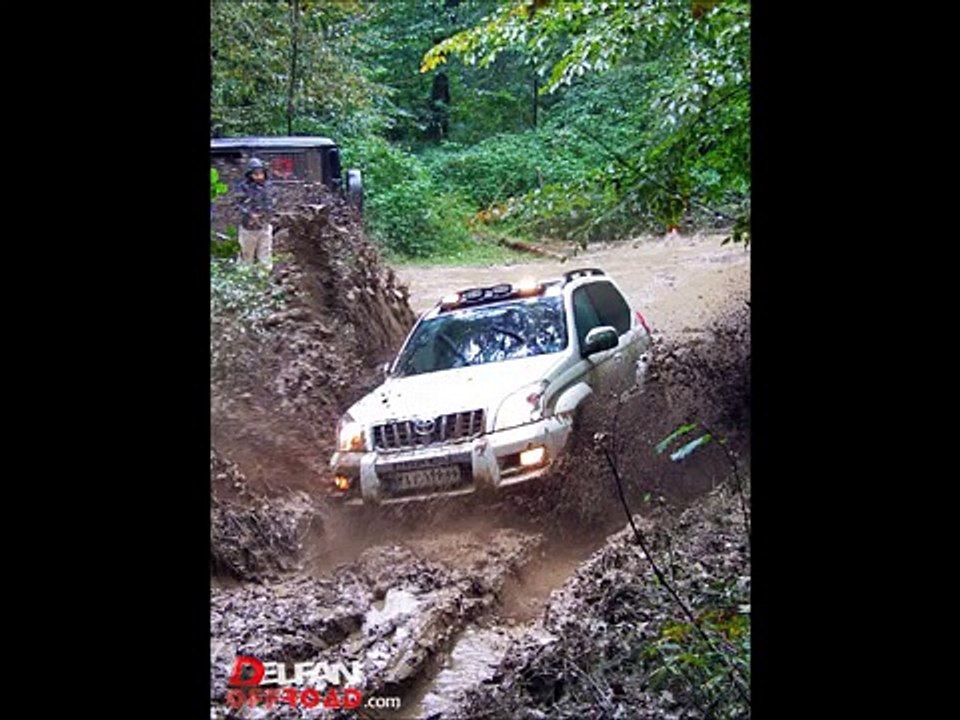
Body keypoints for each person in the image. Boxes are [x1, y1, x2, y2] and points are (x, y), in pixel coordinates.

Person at [235, 158, 275, 270]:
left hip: (264, 226)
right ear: (250, 175)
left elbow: (272, 203)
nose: (259, 177)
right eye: (256, 174)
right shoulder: (243, 187)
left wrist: (264, 214)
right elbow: (238, 204)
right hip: (248, 228)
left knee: (265, 255)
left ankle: (264, 277)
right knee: (246, 256)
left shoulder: (268, 187)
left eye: (261, 173)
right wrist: (250, 213)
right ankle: (245, 278)